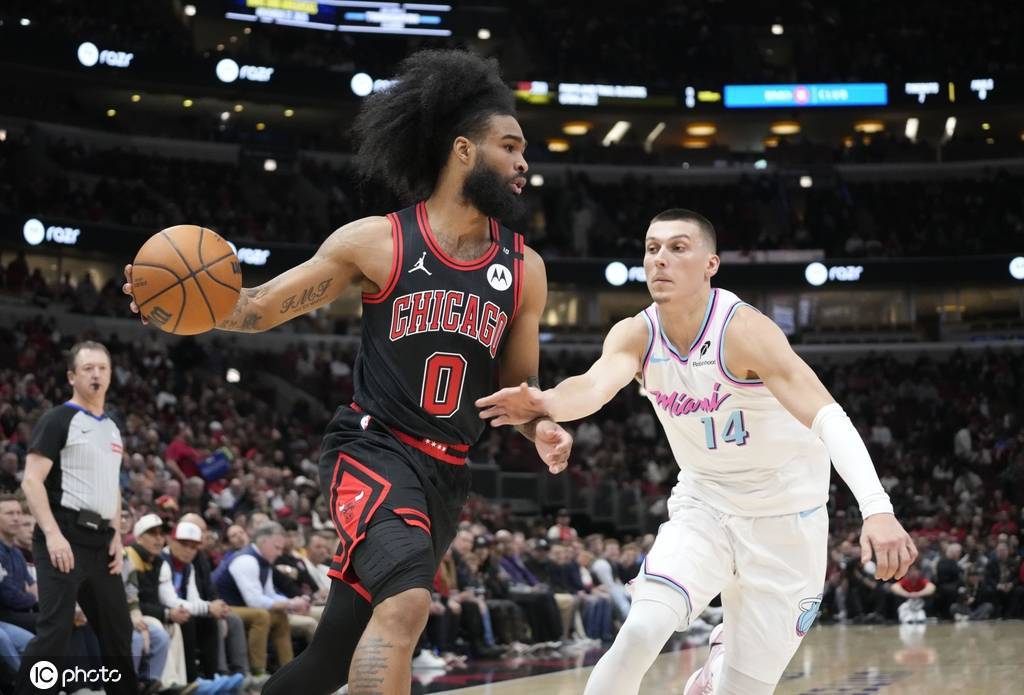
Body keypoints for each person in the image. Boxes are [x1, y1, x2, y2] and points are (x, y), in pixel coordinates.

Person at [121, 48, 572, 695]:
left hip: (445, 476)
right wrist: (179, 306)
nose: (524, 162)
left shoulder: (525, 269)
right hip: (373, 451)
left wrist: (541, 426)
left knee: (331, 657)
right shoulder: (377, 241)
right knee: (407, 605)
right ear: (463, 151)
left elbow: (515, 392)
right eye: (510, 146)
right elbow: (259, 307)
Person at [476, 208, 917, 695]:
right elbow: (593, 385)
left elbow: (828, 417)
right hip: (705, 505)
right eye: (652, 248)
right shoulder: (636, 333)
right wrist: (546, 404)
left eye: (677, 247)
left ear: (711, 264)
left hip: (787, 521)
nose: (660, 259)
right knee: (641, 631)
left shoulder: (744, 331)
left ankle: (718, 668)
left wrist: (877, 509)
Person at [17, 341, 138, 695]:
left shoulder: (112, 427)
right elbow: (31, 481)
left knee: (119, 632)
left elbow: (111, 486)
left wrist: (116, 534)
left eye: (102, 368)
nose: (96, 374)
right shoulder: (58, 419)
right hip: (64, 536)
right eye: (88, 368)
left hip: (101, 543)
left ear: (111, 375)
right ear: (72, 377)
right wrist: (53, 534)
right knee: (54, 633)